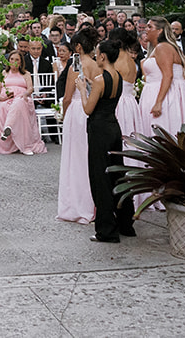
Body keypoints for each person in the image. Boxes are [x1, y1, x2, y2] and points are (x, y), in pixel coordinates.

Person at [82, 38, 137, 243]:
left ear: (103, 56)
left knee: (100, 178)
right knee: (117, 174)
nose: (96, 56)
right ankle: (125, 223)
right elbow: (106, 98)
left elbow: (88, 109)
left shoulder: (99, 79)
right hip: (113, 127)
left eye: (97, 53)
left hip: (99, 130)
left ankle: (106, 230)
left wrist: (81, 88)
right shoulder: (118, 77)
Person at [57, 28, 98, 223]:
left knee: (75, 159)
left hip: (76, 109)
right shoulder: (97, 65)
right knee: (88, 158)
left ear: (79, 47)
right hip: (91, 109)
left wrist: (64, 115)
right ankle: (92, 203)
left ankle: (77, 205)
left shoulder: (77, 64)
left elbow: (66, 97)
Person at [139, 17, 185, 138]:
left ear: (160, 31)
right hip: (156, 93)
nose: (145, 30)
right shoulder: (158, 48)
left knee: (163, 131)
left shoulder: (163, 47)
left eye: (149, 27)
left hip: (166, 97)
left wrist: (159, 102)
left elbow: (168, 75)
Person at [0, 51, 46, 155]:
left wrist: (25, 94)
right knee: (5, 108)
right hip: (6, 100)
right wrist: (2, 97)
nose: (14, 62)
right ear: (8, 61)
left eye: (17, 60)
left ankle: (10, 129)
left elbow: (30, 89)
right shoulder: (3, 74)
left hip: (23, 99)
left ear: (21, 62)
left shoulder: (26, 74)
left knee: (19, 102)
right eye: (12, 59)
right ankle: (8, 135)